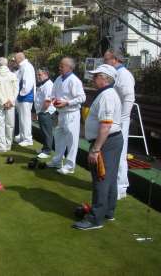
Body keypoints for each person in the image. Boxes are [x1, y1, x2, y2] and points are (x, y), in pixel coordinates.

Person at [73, 64, 123, 230]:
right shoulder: (107, 94)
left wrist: (96, 149)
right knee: (108, 178)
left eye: (96, 76)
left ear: (105, 78)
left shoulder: (107, 96)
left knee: (100, 179)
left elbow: (105, 126)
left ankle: (95, 219)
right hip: (111, 140)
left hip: (106, 142)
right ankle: (108, 211)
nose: (93, 79)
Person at [104, 49, 135, 200]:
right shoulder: (115, 75)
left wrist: (122, 119)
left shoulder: (124, 75)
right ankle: (114, 185)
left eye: (106, 59)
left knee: (121, 153)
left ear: (115, 59)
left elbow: (129, 98)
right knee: (114, 153)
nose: (104, 62)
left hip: (121, 121)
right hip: (114, 120)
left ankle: (121, 187)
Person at [47, 57, 86, 175]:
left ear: (70, 67)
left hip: (72, 113)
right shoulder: (59, 79)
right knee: (59, 137)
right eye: (60, 65)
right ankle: (58, 161)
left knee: (72, 141)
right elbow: (53, 94)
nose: (59, 68)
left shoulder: (75, 81)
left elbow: (82, 98)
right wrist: (54, 101)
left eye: (62, 66)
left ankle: (70, 166)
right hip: (61, 113)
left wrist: (67, 102)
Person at [0, 57, 19, 152]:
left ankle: (2, 146)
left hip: (1, 103)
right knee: (9, 124)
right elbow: (16, 90)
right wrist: (10, 101)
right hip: (9, 103)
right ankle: (7, 145)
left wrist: (4, 101)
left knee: (1, 124)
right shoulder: (12, 75)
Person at [14, 52, 36, 147]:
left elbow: (28, 83)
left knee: (25, 118)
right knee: (21, 118)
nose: (14, 61)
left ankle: (28, 139)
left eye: (15, 59)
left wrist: (21, 94)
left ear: (19, 59)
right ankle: (22, 136)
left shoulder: (26, 67)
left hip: (26, 97)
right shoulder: (23, 67)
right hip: (21, 97)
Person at [34, 68, 56, 159]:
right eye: (37, 75)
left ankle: (47, 151)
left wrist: (41, 112)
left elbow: (47, 101)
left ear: (46, 74)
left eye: (40, 75)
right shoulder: (43, 84)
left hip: (46, 112)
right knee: (43, 131)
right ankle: (44, 148)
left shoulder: (48, 85)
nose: (38, 76)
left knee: (47, 132)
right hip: (42, 112)